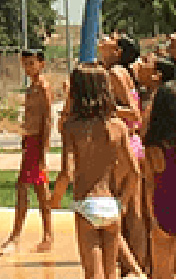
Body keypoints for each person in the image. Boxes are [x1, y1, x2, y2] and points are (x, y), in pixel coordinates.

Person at [51, 64, 141, 279]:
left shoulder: (72, 127)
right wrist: (124, 202)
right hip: (111, 205)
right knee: (111, 273)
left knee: (93, 273)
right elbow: (135, 171)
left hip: (86, 204)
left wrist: (54, 199)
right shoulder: (117, 126)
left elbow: (67, 172)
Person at [0, 49, 54, 254]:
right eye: (25, 64)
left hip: (36, 143)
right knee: (39, 190)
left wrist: (43, 150)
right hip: (30, 140)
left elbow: (47, 119)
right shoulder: (32, 87)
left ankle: (17, 236)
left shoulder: (43, 87)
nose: (28, 68)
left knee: (24, 188)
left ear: (41, 64)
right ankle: (46, 236)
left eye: (31, 63)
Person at [101, 32, 147, 270]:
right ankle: (134, 265)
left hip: (125, 144)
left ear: (117, 52)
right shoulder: (121, 73)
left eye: (112, 38)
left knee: (123, 210)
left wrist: (104, 107)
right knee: (131, 210)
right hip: (131, 143)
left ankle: (131, 266)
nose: (105, 37)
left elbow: (133, 113)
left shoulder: (116, 74)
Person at [144, 80, 176, 279]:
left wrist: (152, 216)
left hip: (163, 208)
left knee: (161, 275)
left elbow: (149, 184)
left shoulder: (154, 147)